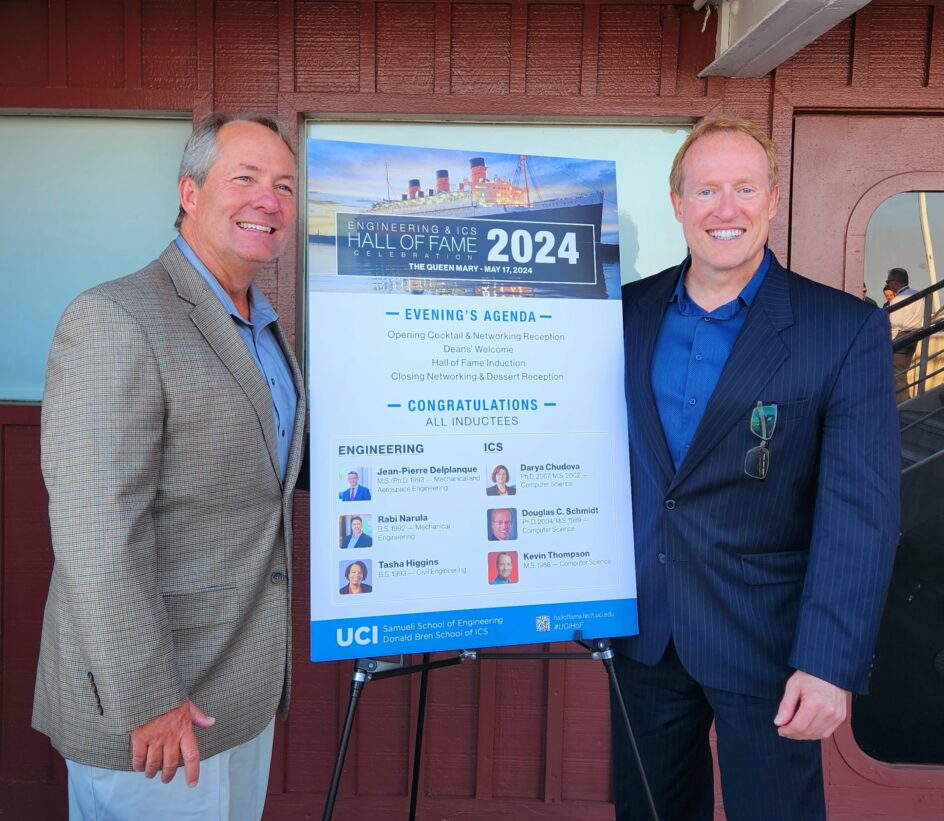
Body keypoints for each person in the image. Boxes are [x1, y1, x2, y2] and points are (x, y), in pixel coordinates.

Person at [612, 116, 899, 821]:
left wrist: (829, 659)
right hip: (645, 637)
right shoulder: (624, 314)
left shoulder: (842, 328)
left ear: (773, 199)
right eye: (706, 189)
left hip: (771, 644)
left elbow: (860, 510)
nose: (726, 208)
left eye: (744, 187)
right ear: (676, 203)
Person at [31, 112, 305, 820]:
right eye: (243, 178)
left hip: (240, 692)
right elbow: (97, 533)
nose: (267, 200)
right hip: (152, 710)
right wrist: (148, 699)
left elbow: (263, 482)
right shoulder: (116, 319)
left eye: (283, 185)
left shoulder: (267, 331)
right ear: (190, 192)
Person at [884, 267, 923, 399]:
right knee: (903, 371)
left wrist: (889, 342)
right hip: (915, 335)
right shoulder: (918, 295)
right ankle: (905, 400)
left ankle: (903, 403)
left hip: (901, 336)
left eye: (888, 281)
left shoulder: (897, 300)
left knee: (896, 373)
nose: (887, 284)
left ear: (895, 282)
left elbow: (894, 325)